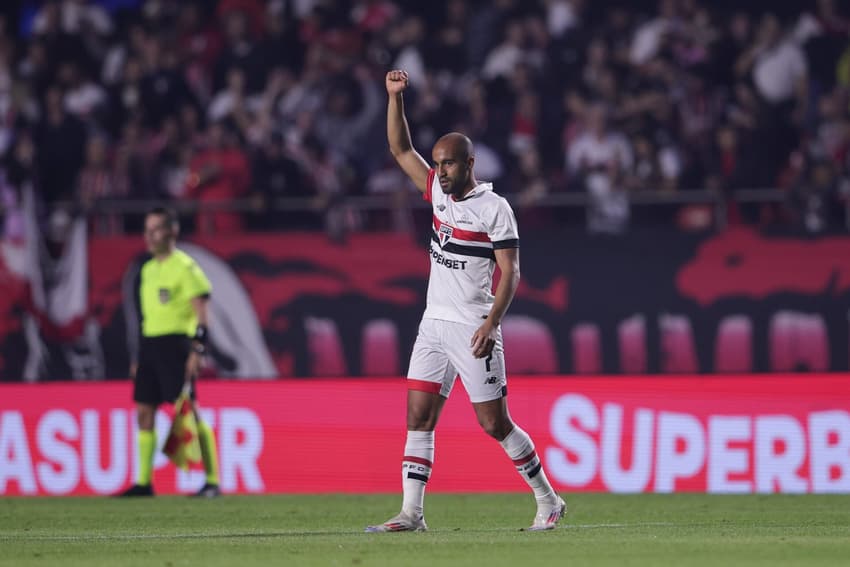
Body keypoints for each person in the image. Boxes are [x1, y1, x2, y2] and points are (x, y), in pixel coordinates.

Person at [366, 70, 566, 532]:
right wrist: (395, 98)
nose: (440, 172)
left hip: (474, 326)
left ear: (470, 163)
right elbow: (400, 149)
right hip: (433, 324)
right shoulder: (437, 191)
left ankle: (548, 499)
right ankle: (411, 513)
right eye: (437, 164)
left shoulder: (495, 210)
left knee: (494, 424)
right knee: (418, 416)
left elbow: (511, 272)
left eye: (449, 164)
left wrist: (491, 323)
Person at [118, 207, 221, 498]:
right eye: (147, 230)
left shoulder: (186, 267)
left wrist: (197, 351)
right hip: (150, 346)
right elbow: (145, 318)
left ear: (172, 232)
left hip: (176, 345)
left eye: (156, 230)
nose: (149, 237)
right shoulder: (147, 270)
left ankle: (212, 481)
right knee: (144, 411)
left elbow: (201, 313)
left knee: (190, 412)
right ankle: (143, 482)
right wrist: (139, 356)